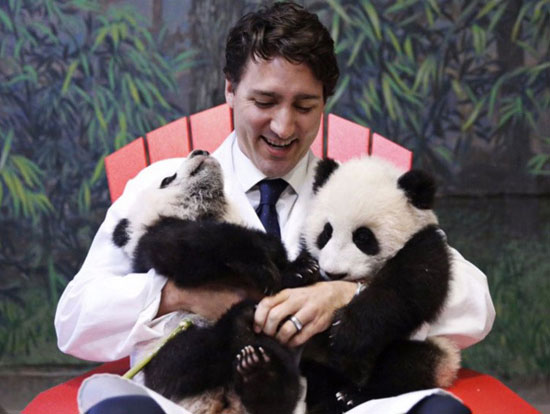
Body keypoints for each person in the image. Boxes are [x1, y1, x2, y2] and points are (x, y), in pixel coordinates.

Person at [55, 2, 494, 414]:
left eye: (305, 106)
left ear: (325, 102)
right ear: (229, 89)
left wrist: (351, 296)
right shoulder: (168, 185)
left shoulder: (353, 190)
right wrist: (178, 296)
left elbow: (474, 304)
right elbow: (75, 319)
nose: (284, 126)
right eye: (264, 102)